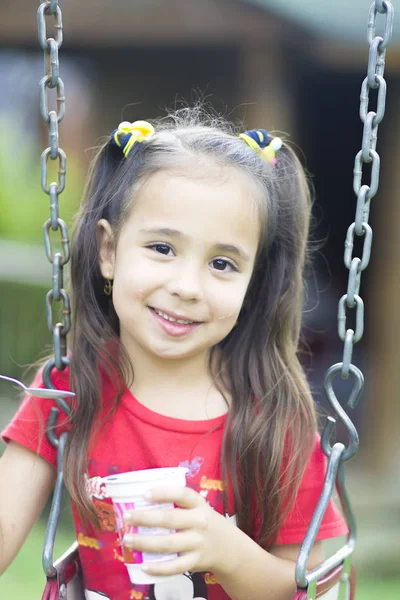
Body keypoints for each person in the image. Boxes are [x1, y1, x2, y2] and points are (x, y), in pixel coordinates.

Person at [0, 107, 348, 600]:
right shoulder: (68, 390)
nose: (187, 287)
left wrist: (226, 552)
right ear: (108, 251)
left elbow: (308, 585)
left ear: (252, 284)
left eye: (222, 263)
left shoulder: (273, 420)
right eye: (162, 248)